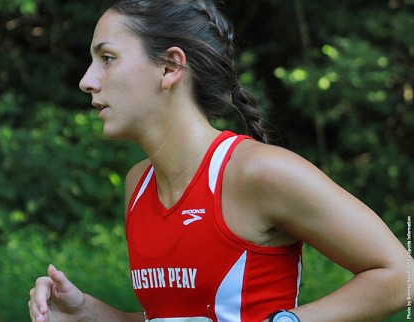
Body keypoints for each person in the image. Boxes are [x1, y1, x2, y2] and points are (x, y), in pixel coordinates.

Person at [28, 0, 410, 321]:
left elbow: (402, 275)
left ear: (170, 67)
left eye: (107, 58)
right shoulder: (138, 184)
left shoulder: (259, 173)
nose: (87, 80)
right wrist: (83, 313)